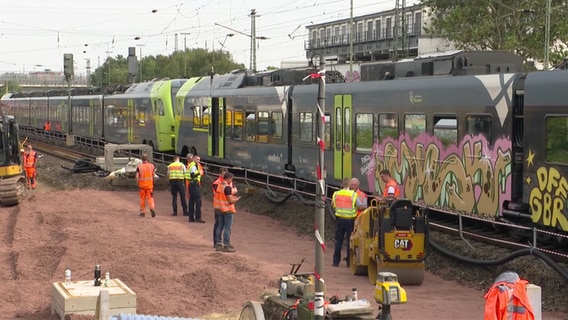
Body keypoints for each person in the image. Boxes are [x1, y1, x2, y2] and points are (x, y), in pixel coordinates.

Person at [332, 177, 362, 267]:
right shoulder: (353, 194)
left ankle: (335, 262)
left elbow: (332, 205)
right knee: (350, 242)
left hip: (340, 219)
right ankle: (349, 263)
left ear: (342, 184)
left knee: (338, 241)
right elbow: (360, 206)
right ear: (349, 185)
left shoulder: (336, 194)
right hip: (350, 221)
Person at [215, 172, 240, 252]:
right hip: (228, 209)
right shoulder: (227, 188)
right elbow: (230, 201)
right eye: (231, 179)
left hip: (220, 208)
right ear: (229, 178)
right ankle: (226, 245)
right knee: (227, 228)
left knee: (220, 226)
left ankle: (218, 244)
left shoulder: (220, 185)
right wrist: (236, 199)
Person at [212, 167, 229, 247]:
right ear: (220, 174)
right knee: (218, 225)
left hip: (226, 207)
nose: (225, 176)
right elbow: (223, 192)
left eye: (226, 174)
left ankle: (225, 242)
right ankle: (216, 242)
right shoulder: (217, 183)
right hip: (218, 207)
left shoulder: (228, 182)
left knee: (225, 226)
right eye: (223, 174)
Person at [135, 154, 156, 218]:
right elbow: (154, 175)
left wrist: (137, 183)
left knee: (142, 199)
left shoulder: (139, 166)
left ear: (142, 159)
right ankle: (152, 208)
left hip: (142, 186)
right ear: (147, 159)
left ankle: (142, 212)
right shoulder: (152, 166)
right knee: (150, 198)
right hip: (150, 186)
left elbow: (137, 176)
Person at [187, 154, 204, 223]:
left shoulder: (190, 165)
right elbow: (192, 175)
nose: (199, 161)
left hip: (191, 184)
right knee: (198, 201)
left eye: (199, 160)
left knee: (191, 201)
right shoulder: (194, 166)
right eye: (197, 159)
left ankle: (191, 218)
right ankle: (198, 217)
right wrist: (199, 173)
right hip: (194, 184)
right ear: (193, 159)